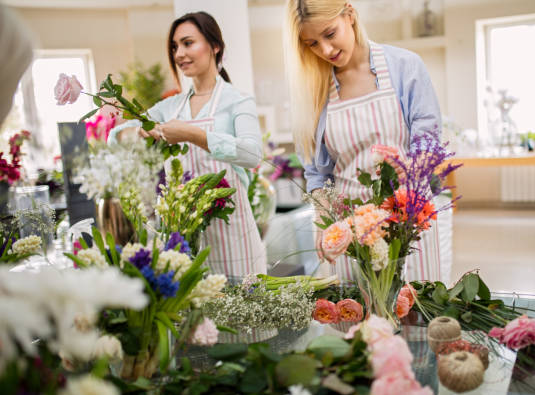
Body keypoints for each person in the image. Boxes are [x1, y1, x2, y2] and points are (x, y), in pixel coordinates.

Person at [284, 0, 442, 282]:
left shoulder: (404, 67)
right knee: (357, 318)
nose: (326, 50)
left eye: (330, 34)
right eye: (312, 44)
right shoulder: (315, 90)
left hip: (407, 215)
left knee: (414, 311)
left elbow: (428, 140)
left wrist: (407, 174)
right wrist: (323, 220)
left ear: (350, 14)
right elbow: (317, 174)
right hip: (348, 227)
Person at [110, 11, 266, 278]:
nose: (179, 53)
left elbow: (252, 154)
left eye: (187, 43)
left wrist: (192, 134)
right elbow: (117, 137)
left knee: (240, 313)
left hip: (233, 233)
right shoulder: (171, 106)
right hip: (184, 234)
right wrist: (142, 133)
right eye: (174, 47)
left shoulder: (237, 101)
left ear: (215, 46)